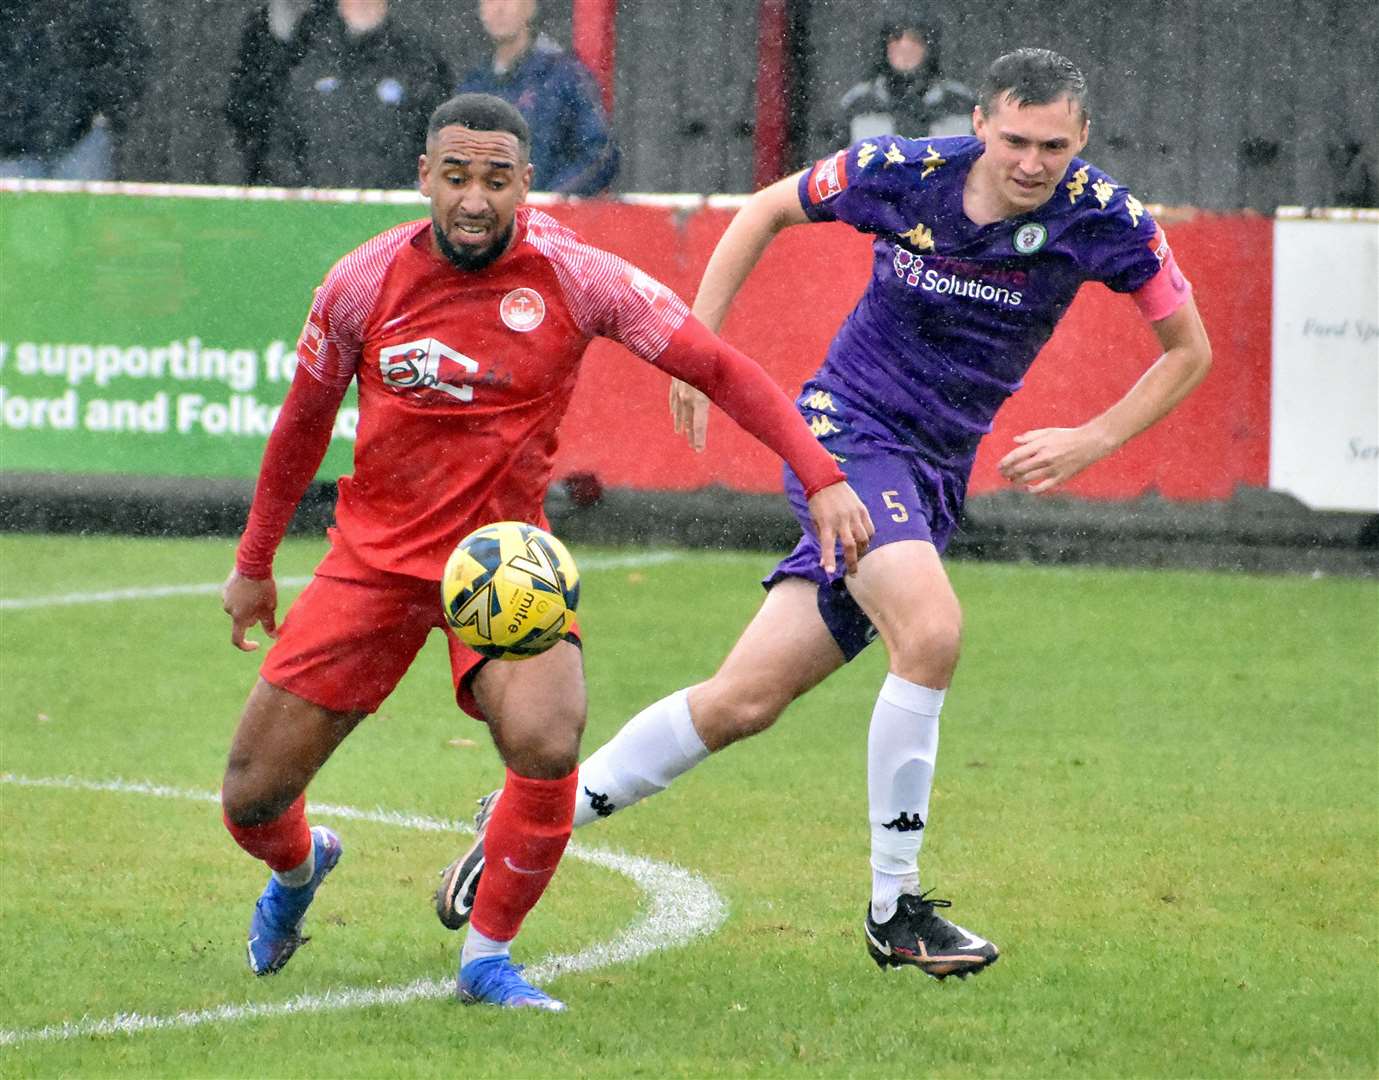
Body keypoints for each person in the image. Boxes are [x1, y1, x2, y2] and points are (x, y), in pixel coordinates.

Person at [435, 49, 1213, 983]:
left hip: (931, 474)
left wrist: (1092, 437)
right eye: (1014, 139)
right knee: (930, 634)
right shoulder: (904, 174)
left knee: (741, 702)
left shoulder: (1107, 220)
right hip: (846, 439)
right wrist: (697, 343)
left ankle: (518, 819)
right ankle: (896, 909)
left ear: (1081, 139)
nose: (1032, 163)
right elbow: (765, 207)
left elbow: (1187, 350)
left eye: (1053, 145)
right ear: (979, 125)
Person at [219, 93, 872, 1012]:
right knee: (250, 801)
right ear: (424, 180)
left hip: (499, 566)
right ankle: (297, 871)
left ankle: (487, 959)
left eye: (495, 179)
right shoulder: (360, 282)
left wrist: (822, 473)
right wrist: (254, 565)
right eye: (455, 178)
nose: (474, 199)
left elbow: (715, 366)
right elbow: (299, 430)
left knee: (547, 739)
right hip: (371, 560)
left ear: (526, 183)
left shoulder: (576, 274)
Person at [270, 0, 452, 189]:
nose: (362, 2)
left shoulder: (417, 61)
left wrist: (407, 195)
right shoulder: (311, 57)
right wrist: (303, 195)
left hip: (392, 209)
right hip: (320, 209)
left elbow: (439, 140)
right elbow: (283, 144)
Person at [456, 0, 619, 196]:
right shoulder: (473, 84)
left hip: (545, 221)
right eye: (490, 0)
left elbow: (600, 154)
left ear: (530, 7)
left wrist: (551, 199)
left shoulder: (564, 75)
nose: (499, 8)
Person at [0, 0, 149, 180]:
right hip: (12, 147)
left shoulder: (97, 8)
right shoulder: (11, 11)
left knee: (87, 205)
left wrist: (106, 109)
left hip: (82, 139)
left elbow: (131, 59)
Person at [225, 0, 332, 186]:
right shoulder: (256, 25)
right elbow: (238, 101)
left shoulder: (334, 25)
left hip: (324, 172)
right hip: (261, 166)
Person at [837, 17, 975, 144]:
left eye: (914, 40)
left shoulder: (958, 101)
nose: (905, 46)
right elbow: (838, 161)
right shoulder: (859, 102)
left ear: (928, 47)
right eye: (896, 39)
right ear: (885, 47)